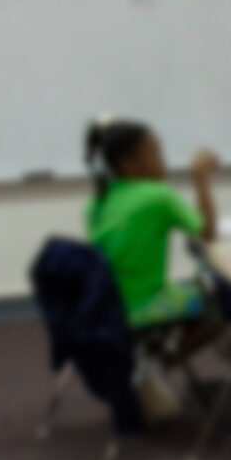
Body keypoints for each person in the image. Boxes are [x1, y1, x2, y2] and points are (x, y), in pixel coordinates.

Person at [84, 119, 219, 328]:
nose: (163, 162)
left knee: (192, 287)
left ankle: (156, 349)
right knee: (225, 297)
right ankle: (165, 356)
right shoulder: (157, 196)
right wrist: (200, 177)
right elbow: (208, 233)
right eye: (155, 154)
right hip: (141, 305)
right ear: (127, 162)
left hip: (107, 303)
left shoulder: (97, 200)